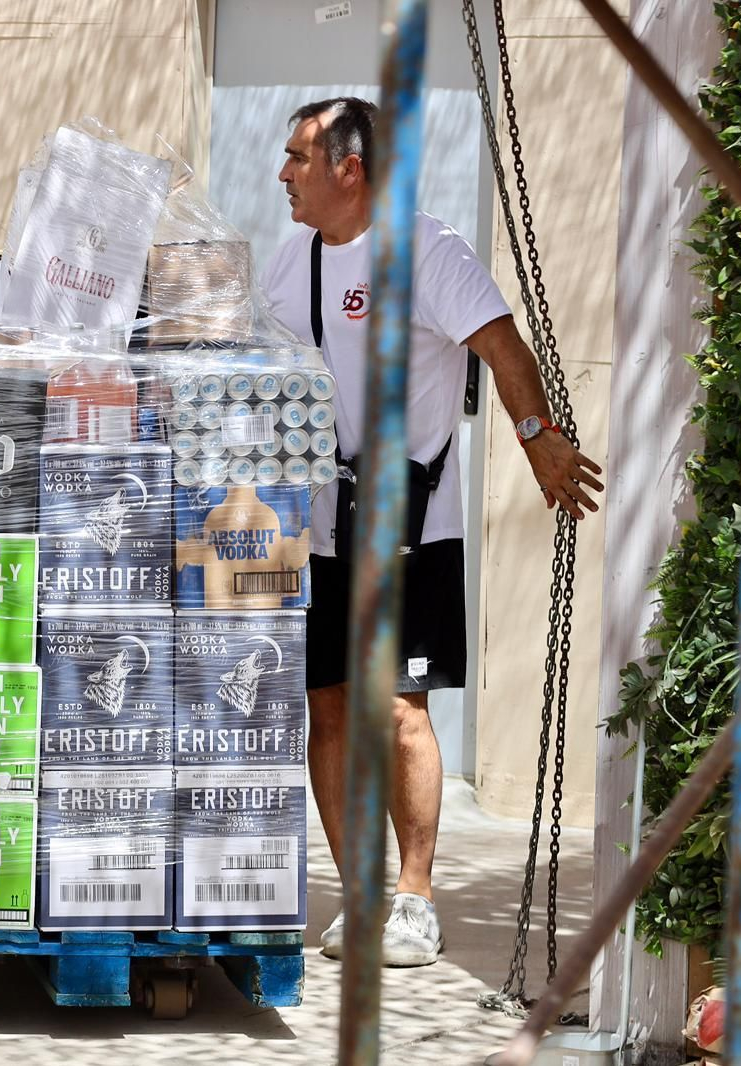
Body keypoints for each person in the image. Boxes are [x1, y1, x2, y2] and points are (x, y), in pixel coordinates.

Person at [258, 97, 603, 966]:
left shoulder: (429, 251)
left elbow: (502, 349)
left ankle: (415, 898)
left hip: (409, 523)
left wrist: (539, 442)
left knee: (400, 707)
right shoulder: (290, 258)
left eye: (299, 157)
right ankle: (362, 898)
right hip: (317, 524)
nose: (283, 174)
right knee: (327, 707)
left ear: (350, 167)